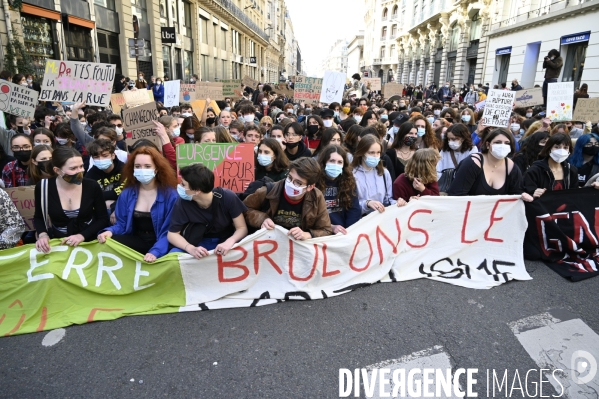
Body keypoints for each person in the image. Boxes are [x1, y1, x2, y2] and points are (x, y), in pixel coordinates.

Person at [97, 147, 178, 262]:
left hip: (163, 243)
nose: (142, 170)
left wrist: (155, 251)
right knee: (108, 241)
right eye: (138, 166)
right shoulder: (127, 193)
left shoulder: (171, 196)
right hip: (137, 241)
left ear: (157, 169)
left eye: (147, 166)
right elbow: (122, 224)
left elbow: (169, 232)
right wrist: (110, 231)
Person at [34, 147, 109, 253]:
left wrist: (82, 235)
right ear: (57, 170)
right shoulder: (43, 187)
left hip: (89, 242)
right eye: (73, 168)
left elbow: (103, 219)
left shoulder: (91, 186)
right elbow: (39, 217)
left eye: (81, 166)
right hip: (58, 243)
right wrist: (43, 235)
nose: (80, 171)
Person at [168, 163, 248, 257]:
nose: (179, 186)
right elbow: (172, 234)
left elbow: (242, 228)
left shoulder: (227, 197)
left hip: (225, 242)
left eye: (183, 184)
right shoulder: (182, 202)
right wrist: (190, 248)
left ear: (197, 190)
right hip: (196, 243)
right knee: (172, 256)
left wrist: (229, 242)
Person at [243, 157, 332, 238]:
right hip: (269, 243)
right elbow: (244, 209)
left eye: (298, 182)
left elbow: (326, 230)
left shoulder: (317, 197)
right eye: (289, 177)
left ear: (310, 187)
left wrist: (307, 234)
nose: (290, 184)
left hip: (297, 247)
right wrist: (262, 219)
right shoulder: (268, 190)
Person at [448, 128, 533, 201]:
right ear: (488, 144)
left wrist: (524, 196)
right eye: (498, 142)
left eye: (507, 143)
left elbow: (516, 194)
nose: (502, 146)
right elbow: (456, 195)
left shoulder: (512, 167)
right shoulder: (472, 163)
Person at [316, 145, 361, 234]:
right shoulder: (314, 181)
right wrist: (330, 227)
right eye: (332, 161)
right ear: (324, 162)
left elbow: (354, 209)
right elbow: (311, 214)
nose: (335, 165)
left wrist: (348, 231)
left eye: (340, 162)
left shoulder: (349, 181)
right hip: (321, 232)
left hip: (343, 232)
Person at [352, 134, 397, 215]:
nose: (375, 156)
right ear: (362, 152)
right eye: (371, 152)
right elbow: (350, 206)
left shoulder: (384, 173)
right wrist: (367, 204)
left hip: (380, 219)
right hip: (361, 221)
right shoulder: (352, 174)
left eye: (378, 152)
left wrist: (399, 203)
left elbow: (389, 200)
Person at [524, 133, 577, 197]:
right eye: (557, 147)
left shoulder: (571, 170)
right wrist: (533, 193)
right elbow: (525, 192)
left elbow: (574, 194)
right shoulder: (534, 171)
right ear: (549, 149)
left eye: (565, 147)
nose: (561, 150)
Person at [85, 139, 125, 213]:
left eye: (104, 155)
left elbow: (125, 193)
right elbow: (88, 197)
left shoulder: (124, 169)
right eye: (96, 157)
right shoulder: (90, 175)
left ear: (113, 155)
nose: (100, 159)